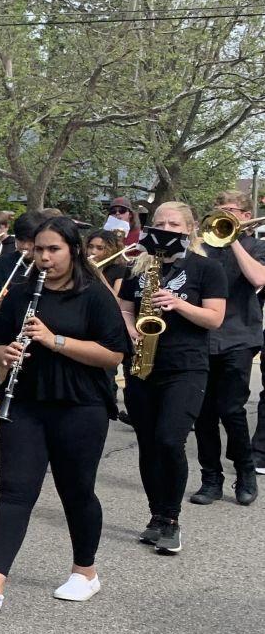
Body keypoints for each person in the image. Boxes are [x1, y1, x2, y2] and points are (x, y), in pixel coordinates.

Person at [0, 217, 131, 612]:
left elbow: (114, 354)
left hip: (81, 404)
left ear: (73, 250)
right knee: (16, 490)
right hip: (26, 402)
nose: (44, 257)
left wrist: (56, 341)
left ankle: (85, 572)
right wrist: (6, 356)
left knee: (76, 490)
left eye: (53, 249)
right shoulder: (20, 294)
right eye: (39, 249)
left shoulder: (94, 295)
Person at [117, 202, 227, 555]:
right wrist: (131, 330)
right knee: (148, 444)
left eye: (173, 223)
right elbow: (124, 308)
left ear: (189, 228)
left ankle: (173, 519)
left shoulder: (206, 268)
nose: (165, 227)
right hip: (142, 366)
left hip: (186, 366)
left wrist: (178, 304)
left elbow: (214, 318)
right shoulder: (138, 266)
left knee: (168, 440)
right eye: (160, 222)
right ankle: (155, 517)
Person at [190, 191, 265, 507]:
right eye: (219, 210)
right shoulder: (202, 246)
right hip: (201, 337)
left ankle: (245, 473)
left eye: (230, 210)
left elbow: (258, 277)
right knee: (204, 414)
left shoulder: (256, 246)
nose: (223, 214)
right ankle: (211, 478)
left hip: (238, 336)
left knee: (232, 410)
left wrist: (232, 238)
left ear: (246, 216)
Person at [86, 229, 130, 296]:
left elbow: (116, 300)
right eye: (90, 247)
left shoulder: (120, 269)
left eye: (100, 248)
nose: (93, 252)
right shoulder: (81, 265)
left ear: (111, 249)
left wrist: (99, 274)